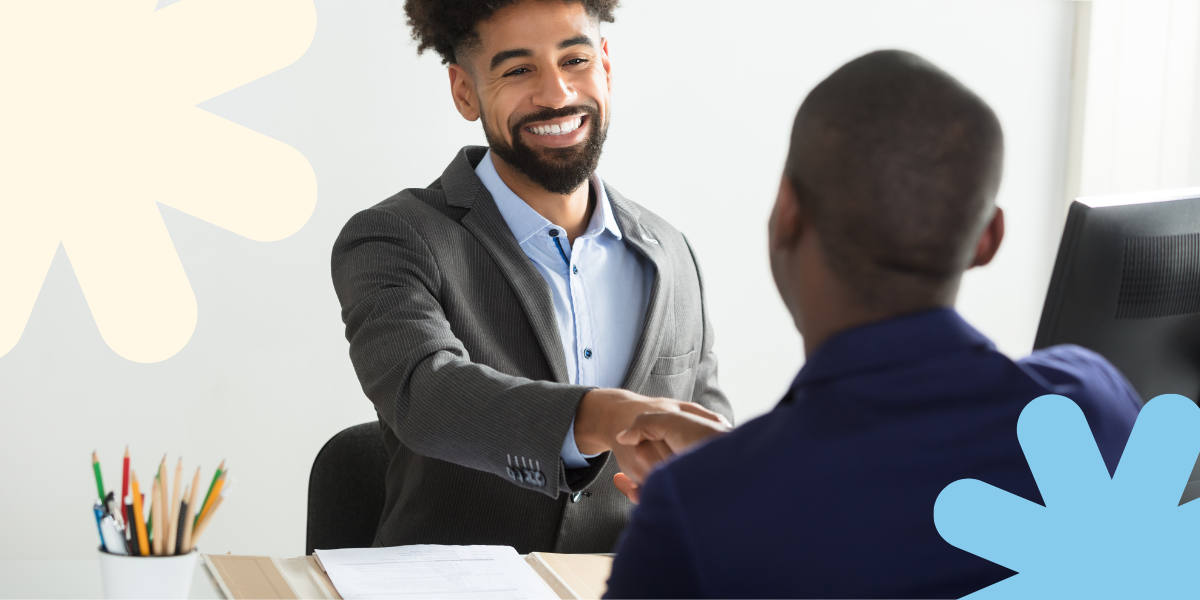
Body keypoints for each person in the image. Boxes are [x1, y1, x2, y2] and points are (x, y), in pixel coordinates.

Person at [603, 50, 1141, 598]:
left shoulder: (696, 514)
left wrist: (728, 477)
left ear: (788, 212)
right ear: (989, 238)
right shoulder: (1095, 408)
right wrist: (736, 465)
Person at [330, 0, 732, 554]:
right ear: (464, 91)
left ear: (606, 66)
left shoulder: (671, 252)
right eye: (519, 70)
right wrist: (610, 415)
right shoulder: (393, 238)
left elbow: (709, 451)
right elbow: (425, 395)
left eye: (575, 60)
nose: (557, 93)